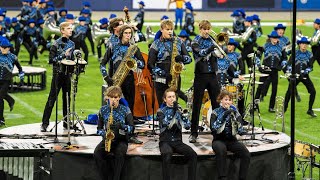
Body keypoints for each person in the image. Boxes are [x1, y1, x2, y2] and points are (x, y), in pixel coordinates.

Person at [189, 20, 221, 143]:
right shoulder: (195, 41)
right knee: (197, 104)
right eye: (204, 29)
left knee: (216, 105)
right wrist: (211, 48)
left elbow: (219, 55)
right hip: (200, 76)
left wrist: (218, 50)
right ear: (200, 29)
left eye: (208, 29)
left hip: (213, 75)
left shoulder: (213, 39)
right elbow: (200, 53)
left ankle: (217, 132)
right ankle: (193, 133)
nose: (207, 31)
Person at [147, 19, 192, 106]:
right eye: (167, 29)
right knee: (162, 104)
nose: (170, 31)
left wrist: (181, 58)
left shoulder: (178, 41)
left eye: (171, 29)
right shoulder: (156, 44)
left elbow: (189, 59)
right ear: (161, 30)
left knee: (174, 104)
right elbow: (150, 64)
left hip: (175, 77)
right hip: (161, 79)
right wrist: (163, 73)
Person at [94, 86, 134, 180]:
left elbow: (131, 128)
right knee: (97, 154)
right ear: (107, 97)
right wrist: (104, 134)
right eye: (111, 97)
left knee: (120, 155)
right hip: (108, 139)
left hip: (121, 140)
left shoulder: (125, 110)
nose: (113, 100)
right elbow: (99, 129)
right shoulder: (103, 110)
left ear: (119, 97)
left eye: (116, 97)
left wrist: (122, 126)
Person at [40, 22, 75, 132]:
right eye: (68, 28)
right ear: (62, 31)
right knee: (52, 99)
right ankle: (44, 123)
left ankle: (66, 122)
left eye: (71, 28)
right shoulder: (55, 44)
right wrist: (63, 55)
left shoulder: (72, 44)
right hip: (57, 75)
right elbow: (51, 60)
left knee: (67, 99)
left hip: (67, 75)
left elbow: (72, 58)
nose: (71, 30)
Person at [156, 88, 197, 180]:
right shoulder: (160, 111)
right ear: (165, 99)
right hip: (165, 141)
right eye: (169, 97)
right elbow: (166, 124)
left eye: (173, 97)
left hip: (178, 141)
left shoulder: (179, 110)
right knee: (167, 154)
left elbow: (187, 126)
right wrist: (175, 112)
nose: (172, 99)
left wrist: (183, 116)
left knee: (193, 154)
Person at [210, 90, 250, 180]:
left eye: (229, 100)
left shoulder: (234, 111)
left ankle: (242, 178)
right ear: (221, 100)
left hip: (231, 140)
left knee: (246, 154)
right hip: (218, 140)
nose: (228, 102)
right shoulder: (215, 112)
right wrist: (224, 115)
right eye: (226, 99)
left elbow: (240, 123)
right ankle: (222, 177)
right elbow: (214, 128)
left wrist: (241, 130)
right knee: (221, 151)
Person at [255, 31, 287, 113]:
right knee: (260, 87)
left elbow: (285, 58)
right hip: (265, 69)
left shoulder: (281, 47)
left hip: (275, 70)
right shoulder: (265, 46)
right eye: (273, 38)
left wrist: (282, 65)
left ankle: (271, 107)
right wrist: (259, 65)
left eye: (276, 38)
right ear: (270, 38)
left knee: (274, 89)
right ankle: (255, 105)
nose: (275, 39)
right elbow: (257, 56)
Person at [284, 37, 317, 117]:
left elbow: (310, 67)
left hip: (304, 76)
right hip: (295, 76)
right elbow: (289, 64)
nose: (304, 45)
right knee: (289, 92)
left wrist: (305, 72)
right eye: (302, 44)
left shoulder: (310, 54)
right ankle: (284, 109)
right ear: (299, 44)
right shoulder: (295, 53)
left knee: (313, 91)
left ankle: (310, 109)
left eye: (305, 44)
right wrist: (291, 72)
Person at [0, 38, 24, 126]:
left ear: (9, 48)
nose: (3, 49)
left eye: (5, 47)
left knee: (0, 98)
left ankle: (1, 119)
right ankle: (10, 100)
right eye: (2, 47)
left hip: (7, 81)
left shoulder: (13, 57)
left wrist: (21, 79)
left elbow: (20, 69)